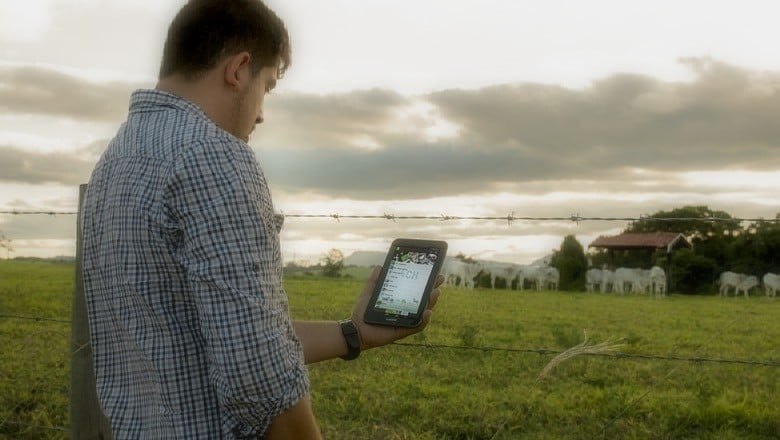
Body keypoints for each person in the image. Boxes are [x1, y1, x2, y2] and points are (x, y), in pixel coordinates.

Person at [80, 0, 443, 438]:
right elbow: (258, 371)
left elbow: (214, 334)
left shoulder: (117, 158)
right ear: (239, 70)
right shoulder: (213, 155)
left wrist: (354, 333)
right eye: (267, 86)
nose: (263, 112)